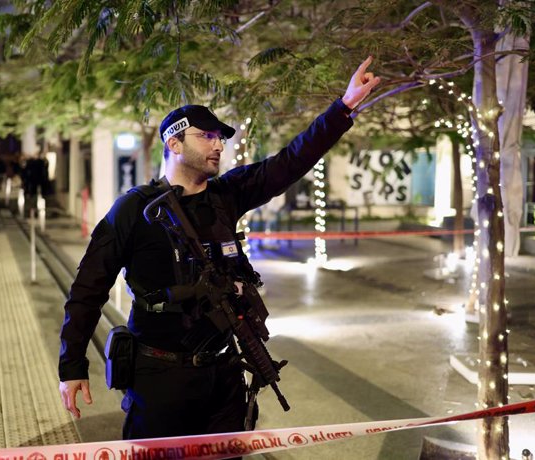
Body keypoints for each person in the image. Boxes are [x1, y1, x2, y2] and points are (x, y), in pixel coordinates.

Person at [58, 57, 380, 439]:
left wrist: (342, 108)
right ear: (173, 142)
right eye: (206, 136)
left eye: (220, 137)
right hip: (160, 380)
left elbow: (290, 162)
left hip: (224, 377)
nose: (218, 145)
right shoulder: (134, 209)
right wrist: (72, 366)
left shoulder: (226, 195)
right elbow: (87, 289)